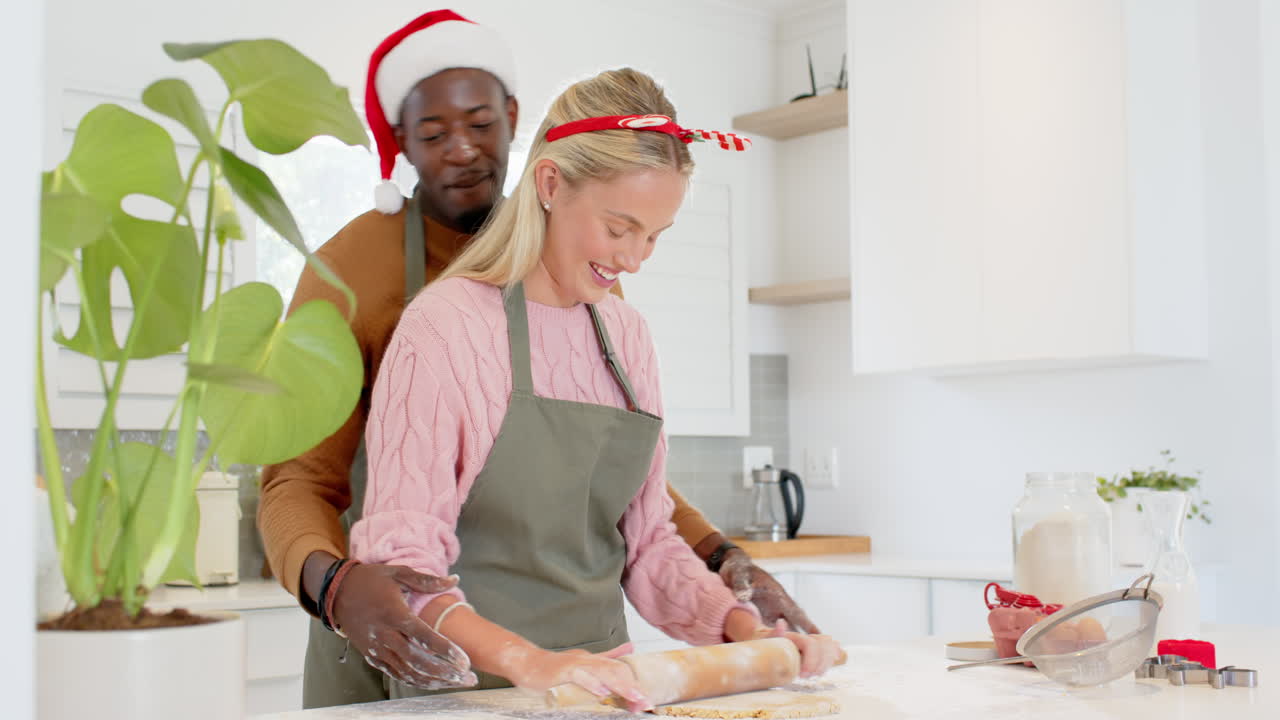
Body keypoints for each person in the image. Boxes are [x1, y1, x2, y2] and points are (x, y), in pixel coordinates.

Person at [256, 9, 817, 709]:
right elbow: (305, 485)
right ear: (551, 186)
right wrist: (336, 585)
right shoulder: (407, 302)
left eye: (654, 236)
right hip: (449, 672)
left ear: (513, 119)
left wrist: (736, 605)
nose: (462, 150)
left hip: (597, 682)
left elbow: (632, 518)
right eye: (620, 229)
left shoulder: (623, 330)